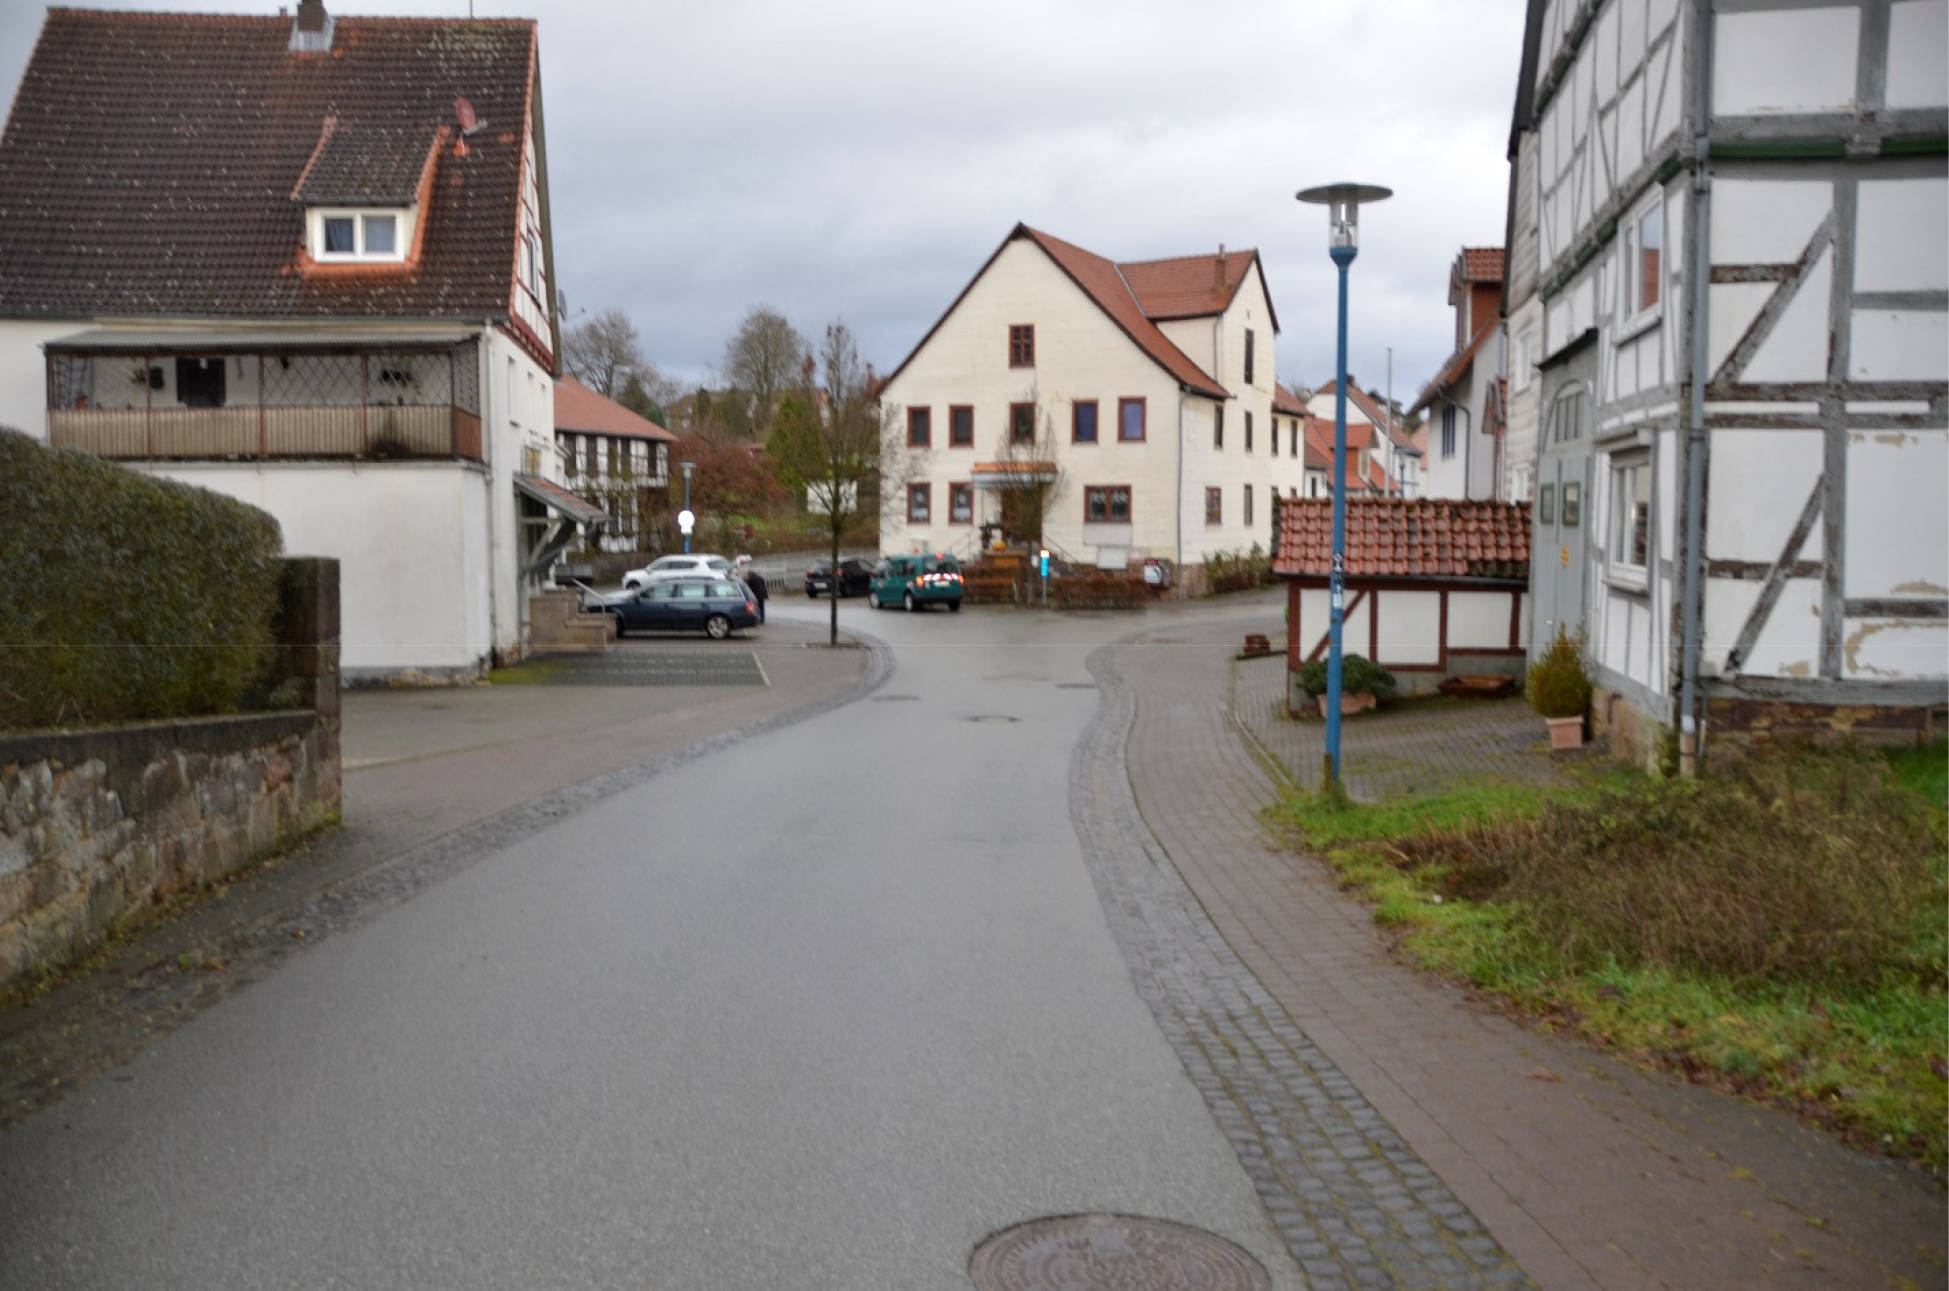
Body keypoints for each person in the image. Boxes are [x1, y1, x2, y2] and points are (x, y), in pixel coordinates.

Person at [736, 554, 768, 623]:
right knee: (762, 607)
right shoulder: (759, 578)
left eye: (748, 575)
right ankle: (762, 619)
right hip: (762, 595)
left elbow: (749, 587)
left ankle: (758, 619)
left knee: (756, 608)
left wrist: (744, 580)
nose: (748, 576)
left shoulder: (751, 580)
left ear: (750, 574)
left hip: (757, 595)